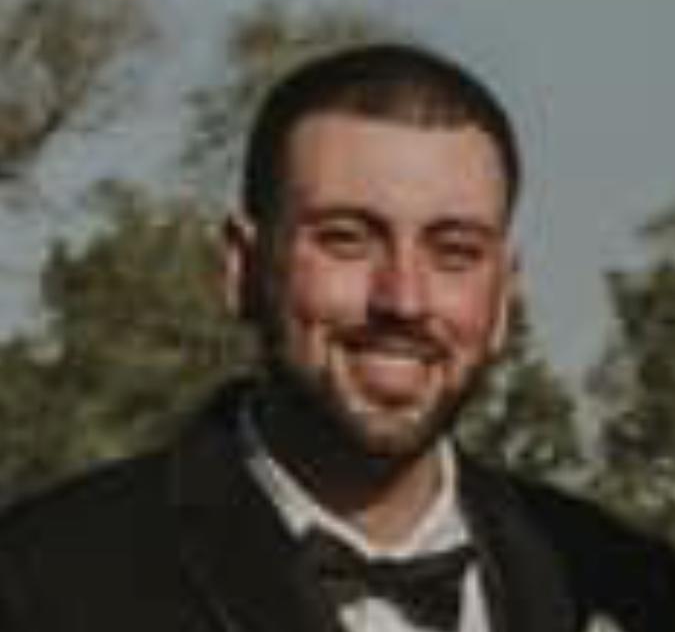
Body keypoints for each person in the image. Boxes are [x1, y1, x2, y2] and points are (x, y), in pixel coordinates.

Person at [0, 43, 672, 632]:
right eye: (347, 239)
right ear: (242, 268)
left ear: (503, 295)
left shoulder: (626, 583)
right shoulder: (42, 583)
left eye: (454, 251)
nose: (402, 299)